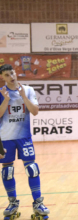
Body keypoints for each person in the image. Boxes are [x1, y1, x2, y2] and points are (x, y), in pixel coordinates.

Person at [0, 64, 50, 219]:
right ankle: (12, 203)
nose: (11, 77)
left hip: (24, 137)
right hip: (5, 138)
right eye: (7, 75)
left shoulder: (28, 89)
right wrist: (6, 99)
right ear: (2, 77)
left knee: (32, 169)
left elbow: (35, 111)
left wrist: (24, 97)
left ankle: (38, 203)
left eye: (12, 73)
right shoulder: (1, 93)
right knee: (7, 171)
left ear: (16, 73)